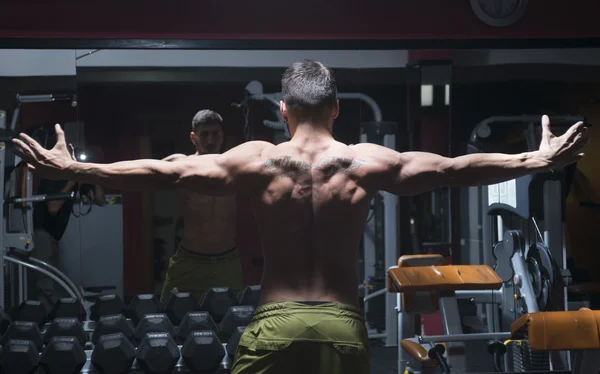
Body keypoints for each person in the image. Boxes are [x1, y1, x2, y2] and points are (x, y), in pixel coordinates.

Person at [13, 60, 588, 374]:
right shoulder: (363, 161)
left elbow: (166, 172)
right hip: (340, 324)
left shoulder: (260, 160)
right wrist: (532, 158)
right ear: (336, 108)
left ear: (282, 111)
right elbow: (450, 168)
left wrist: (80, 170)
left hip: (275, 324)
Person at [159, 109, 242, 303]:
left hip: (227, 262)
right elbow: (138, 173)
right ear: (193, 137)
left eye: (216, 134)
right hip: (189, 261)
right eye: (204, 134)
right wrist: (95, 180)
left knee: (232, 323)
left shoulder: (236, 164)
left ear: (222, 136)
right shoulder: (180, 163)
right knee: (170, 320)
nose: (210, 140)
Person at [32, 170, 105, 309]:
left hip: (54, 237)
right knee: (45, 285)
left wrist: (96, 178)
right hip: (42, 233)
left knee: (52, 280)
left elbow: (100, 201)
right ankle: (46, 321)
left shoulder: (76, 182)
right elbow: (53, 208)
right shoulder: (52, 178)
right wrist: (71, 182)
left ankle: (51, 319)